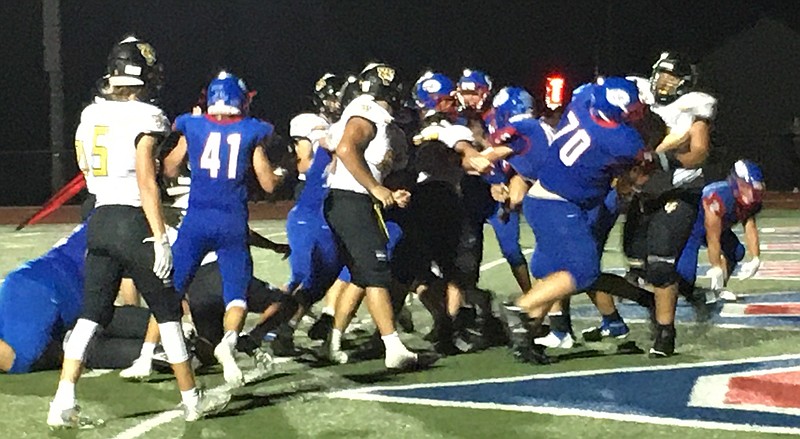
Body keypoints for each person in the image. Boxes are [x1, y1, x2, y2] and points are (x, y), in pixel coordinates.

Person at [48, 36, 229, 428]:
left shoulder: (90, 115)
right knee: (167, 312)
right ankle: (191, 399)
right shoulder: (146, 116)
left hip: (97, 220)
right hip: (133, 221)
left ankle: (62, 400)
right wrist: (160, 236)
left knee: (90, 315)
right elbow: (147, 180)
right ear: (141, 75)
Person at [495, 77, 649, 364]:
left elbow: (590, 90)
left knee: (552, 271)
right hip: (561, 204)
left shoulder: (581, 104)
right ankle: (520, 309)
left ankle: (525, 340)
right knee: (584, 270)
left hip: (543, 199)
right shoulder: (622, 140)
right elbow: (639, 163)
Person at [163, 71, 281, 387]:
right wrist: (283, 175)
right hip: (232, 222)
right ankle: (229, 342)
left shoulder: (193, 124)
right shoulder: (252, 131)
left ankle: (152, 352)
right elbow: (268, 183)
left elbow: (170, 166)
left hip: (196, 220)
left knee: (170, 289)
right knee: (236, 293)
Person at [322, 62, 434, 370]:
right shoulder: (368, 111)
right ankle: (393, 346)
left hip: (349, 199)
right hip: (352, 200)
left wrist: (387, 191)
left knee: (360, 275)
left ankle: (332, 341)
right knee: (375, 272)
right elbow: (346, 148)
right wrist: (375, 188)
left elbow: (341, 148)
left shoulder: (370, 114)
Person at [623, 51, 717, 357]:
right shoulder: (641, 101)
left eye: (672, 78)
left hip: (678, 190)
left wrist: (663, 159)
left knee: (661, 264)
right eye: (661, 75)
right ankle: (689, 294)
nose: (664, 83)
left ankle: (665, 333)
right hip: (646, 192)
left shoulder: (692, 108)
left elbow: (699, 151)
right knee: (638, 266)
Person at [675, 160, 765, 302]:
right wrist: (716, 265)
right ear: (736, 182)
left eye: (754, 189)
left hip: (715, 229)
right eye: (746, 187)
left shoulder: (750, 201)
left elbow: (750, 225)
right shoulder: (718, 196)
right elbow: (712, 236)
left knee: (736, 252)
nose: (751, 194)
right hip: (693, 228)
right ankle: (648, 283)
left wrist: (755, 258)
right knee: (686, 278)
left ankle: (719, 289)